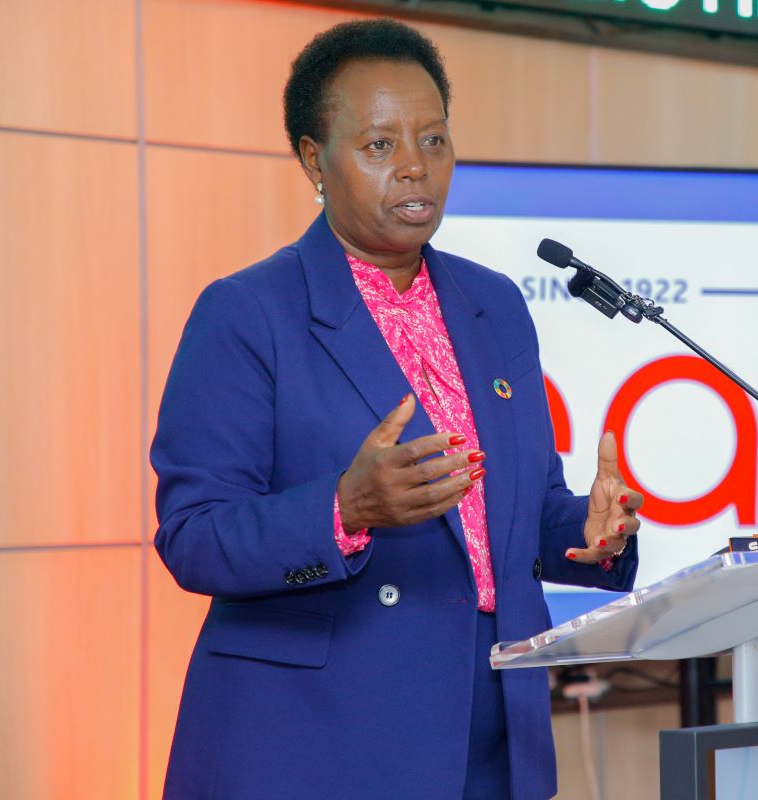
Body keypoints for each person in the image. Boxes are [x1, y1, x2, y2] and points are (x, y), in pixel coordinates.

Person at [151, 19, 641, 800]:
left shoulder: (493, 304)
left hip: (490, 732)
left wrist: (587, 529)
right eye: (379, 145)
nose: (415, 166)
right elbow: (194, 537)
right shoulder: (247, 312)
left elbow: (515, 514)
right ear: (313, 159)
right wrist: (344, 509)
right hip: (319, 742)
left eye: (434, 140)